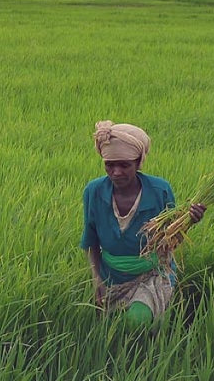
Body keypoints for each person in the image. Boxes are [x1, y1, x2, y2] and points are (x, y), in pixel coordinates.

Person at [80, 121, 205, 326]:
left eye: (124, 165)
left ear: (139, 162)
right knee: (107, 329)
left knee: (137, 322)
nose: (116, 172)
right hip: (110, 276)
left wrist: (189, 221)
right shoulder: (94, 192)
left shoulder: (159, 191)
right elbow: (90, 240)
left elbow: (171, 241)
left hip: (150, 274)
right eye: (109, 165)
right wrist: (97, 281)